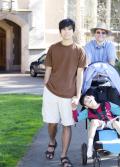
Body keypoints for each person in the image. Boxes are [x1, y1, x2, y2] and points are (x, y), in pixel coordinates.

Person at [42, 18, 86, 167]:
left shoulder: (79, 50)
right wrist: (45, 84)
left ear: (73, 31)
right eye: (63, 29)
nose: (66, 32)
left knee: (67, 125)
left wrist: (78, 96)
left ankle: (63, 155)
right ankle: (52, 141)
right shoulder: (53, 48)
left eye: (69, 29)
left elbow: (80, 75)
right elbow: (48, 68)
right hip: (51, 91)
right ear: (60, 31)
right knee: (52, 123)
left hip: (69, 95)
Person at [72, 94, 120, 158]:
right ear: (86, 106)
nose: (88, 100)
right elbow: (77, 118)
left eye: (88, 97)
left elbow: (119, 111)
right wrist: (74, 109)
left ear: (92, 96)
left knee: (116, 122)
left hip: (110, 122)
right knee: (94, 121)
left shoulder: (107, 104)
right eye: (86, 101)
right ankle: (90, 146)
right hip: (99, 124)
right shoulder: (87, 111)